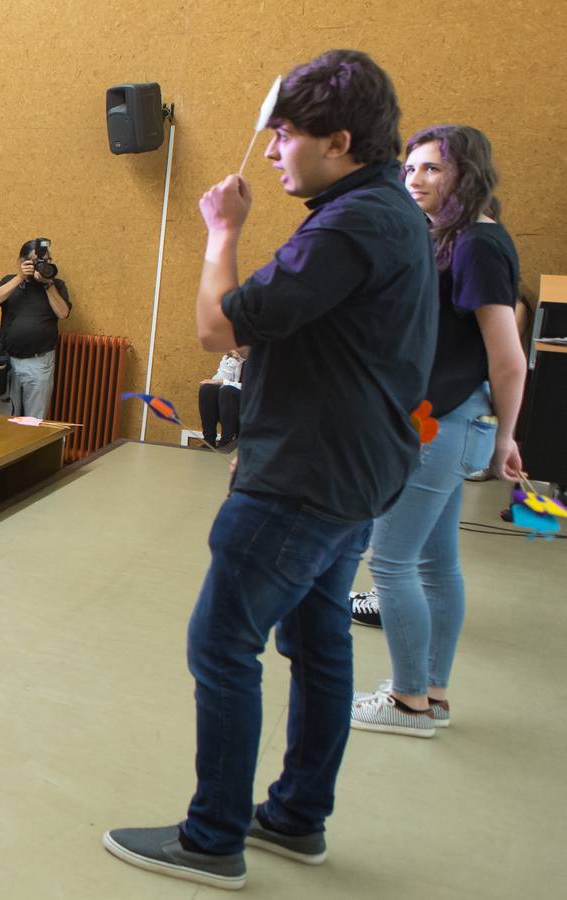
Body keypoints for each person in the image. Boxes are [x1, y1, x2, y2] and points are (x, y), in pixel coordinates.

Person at [102, 49, 437, 891]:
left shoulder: (348, 224)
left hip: (306, 477)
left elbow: (218, 328)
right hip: (355, 470)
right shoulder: (387, 210)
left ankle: (213, 837)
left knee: (221, 641)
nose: (276, 149)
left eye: (287, 136)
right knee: (318, 637)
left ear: (341, 140)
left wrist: (219, 231)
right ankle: (296, 815)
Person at [346, 125, 528, 737]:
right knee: (436, 564)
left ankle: (408, 703)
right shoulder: (455, 238)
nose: (415, 179)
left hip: (443, 426)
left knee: (390, 564)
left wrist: (506, 438)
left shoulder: (477, 244)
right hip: (451, 421)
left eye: (431, 169)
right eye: (411, 168)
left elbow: (507, 356)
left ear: (465, 174)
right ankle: (433, 694)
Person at [0, 238, 72, 419]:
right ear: (21, 261)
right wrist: (20, 277)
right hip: (8, 361)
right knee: (3, 420)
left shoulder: (57, 285)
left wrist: (48, 284)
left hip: (39, 363)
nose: (42, 265)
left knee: (34, 421)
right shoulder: (10, 280)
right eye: (36, 261)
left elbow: (63, 313)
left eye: (46, 261)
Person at [198, 350, 246, 448]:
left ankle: (226, 442)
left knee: (228, 391)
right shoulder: (232, 356)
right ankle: (209, 440)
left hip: (256, 406)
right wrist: (234, 362)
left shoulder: (263, 357)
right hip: (231, 405)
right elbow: (217, 380)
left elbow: (254, 387)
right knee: (208, 389)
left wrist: (224, 382)